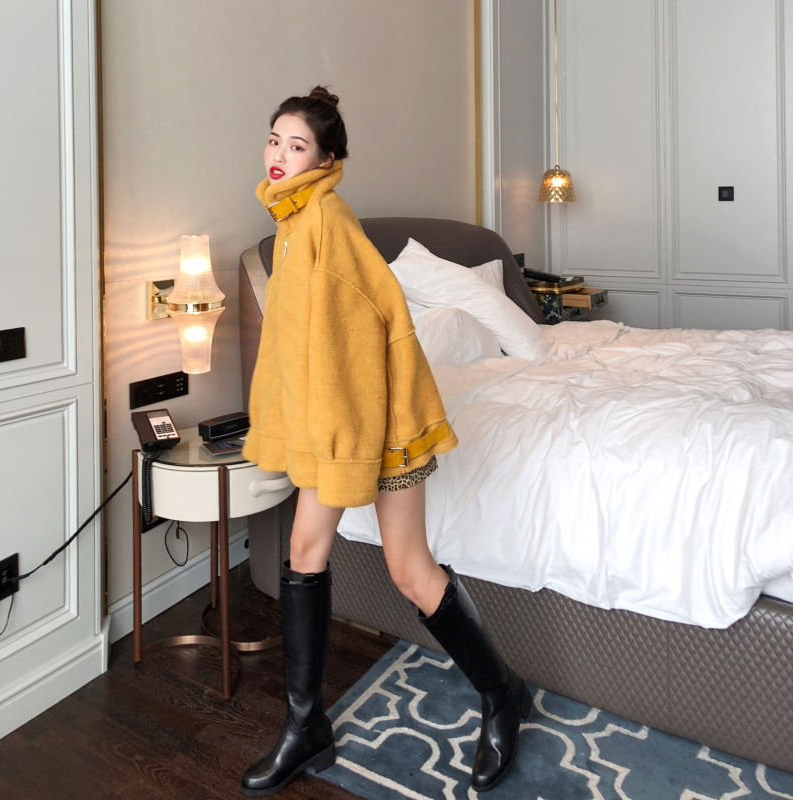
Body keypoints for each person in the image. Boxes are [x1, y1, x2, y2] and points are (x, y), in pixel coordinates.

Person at [240, 86, 531, 797]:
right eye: (275, 140)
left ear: (325, 161)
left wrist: (342, 442)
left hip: (380, 423)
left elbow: (369, 332)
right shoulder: (292, 220)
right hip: (339, 421)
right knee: (305, 552)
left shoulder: (328, 220)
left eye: (296, 146)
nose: (279, 155)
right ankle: (305, 727)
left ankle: (502, 694)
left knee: (409, 571)